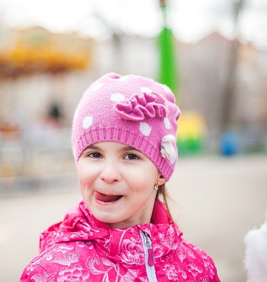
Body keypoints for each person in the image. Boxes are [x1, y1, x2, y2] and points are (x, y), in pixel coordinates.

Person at [20, 73, 220, 281]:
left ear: (161, 172)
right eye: (94, 154)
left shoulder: (198, 268)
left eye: (131, 156)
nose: (108, 175)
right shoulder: (49, 273)